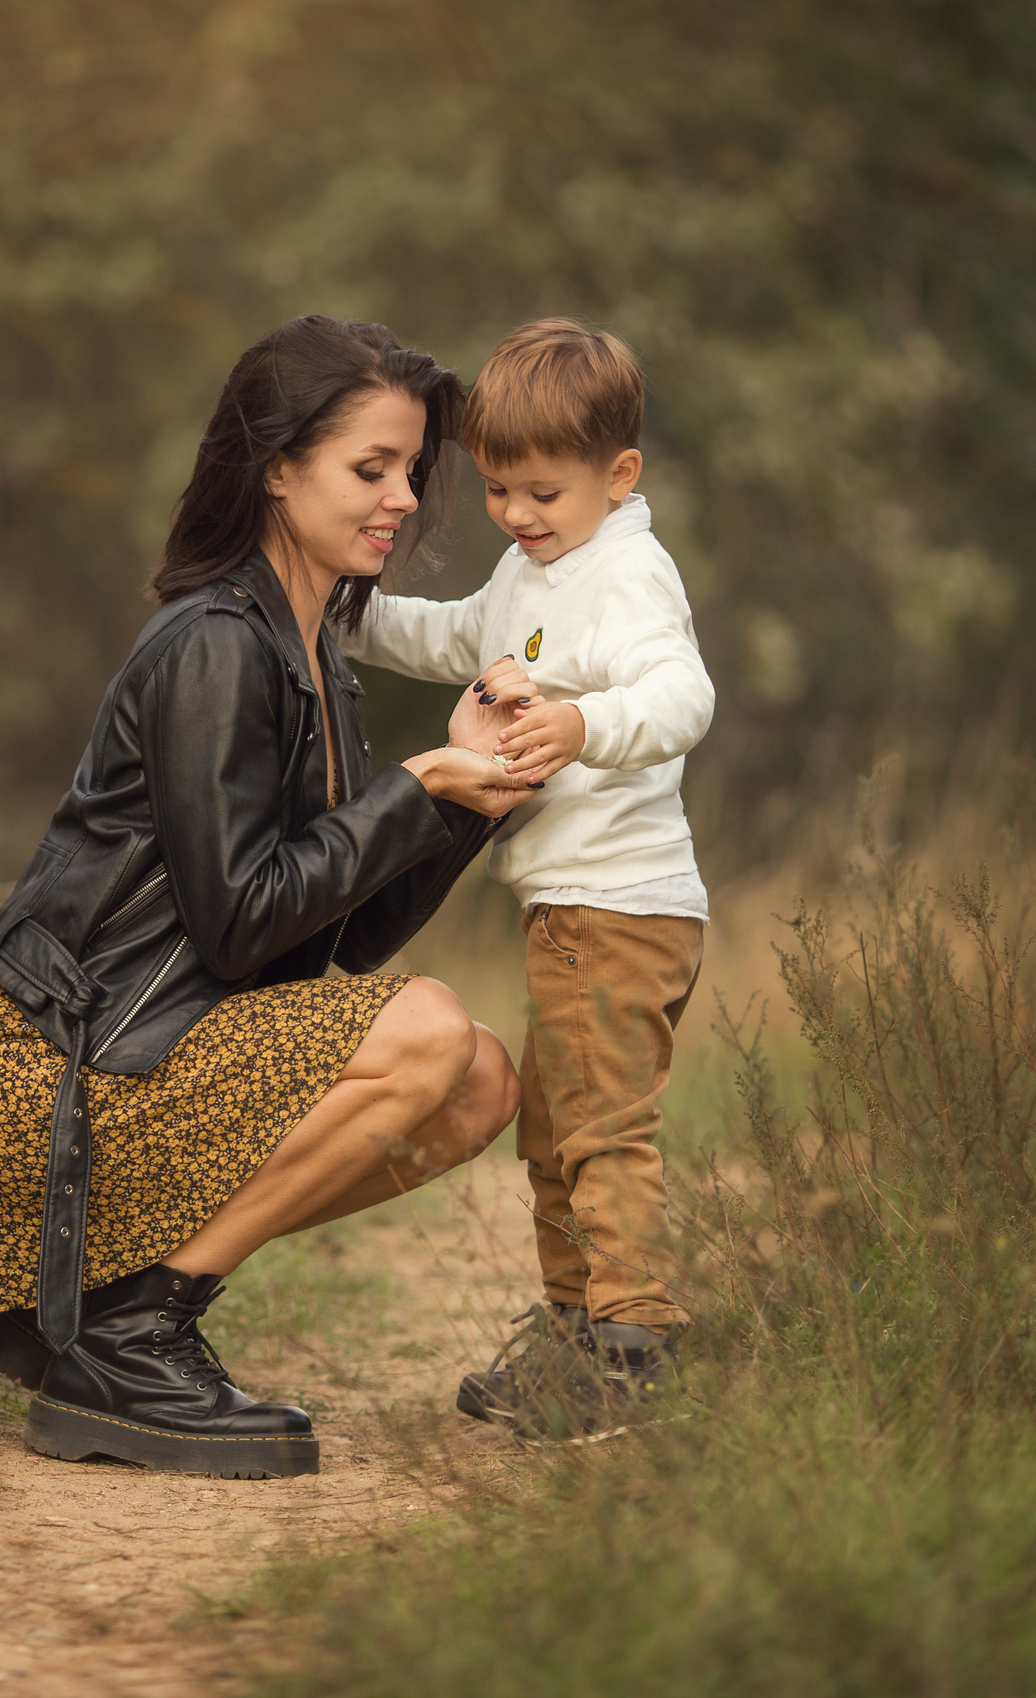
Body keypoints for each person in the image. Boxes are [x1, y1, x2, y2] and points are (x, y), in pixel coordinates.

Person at [0, 315, 530, 1480]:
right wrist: (412, 786)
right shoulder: (212, 645)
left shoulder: (309, 659)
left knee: (479, 1078)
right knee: (432, 1030)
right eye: (369, 468)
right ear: (276, 468)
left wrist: (463, 801)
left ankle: (121, 1313)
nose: (402, 498)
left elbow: (349, 940)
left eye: (410, 469)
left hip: (147, 1061)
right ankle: (131, 1336)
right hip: (51, 1076)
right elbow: (241, 921)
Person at [344, 317, 715, 1438]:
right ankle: (575, 1338)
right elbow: (453, 636)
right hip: (570, 907)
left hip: (624, 904)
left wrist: (582, 725)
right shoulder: (529, 571)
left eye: (543, 492)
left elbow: (683, 696)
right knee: (552, 1132)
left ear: (619, 475)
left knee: (599, 1129)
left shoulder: (628, 574)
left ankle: (632, 1346)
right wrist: (335, 601)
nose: (516, 514)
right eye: (498, 489)